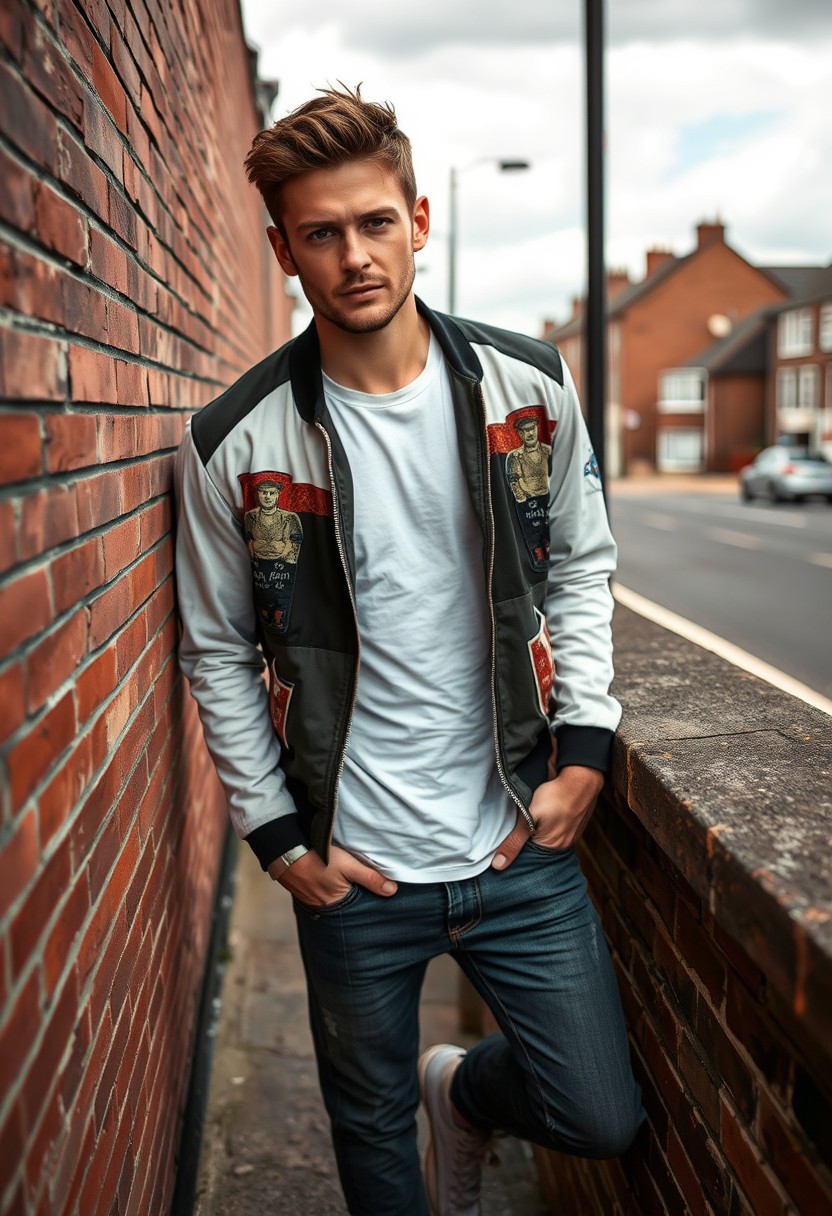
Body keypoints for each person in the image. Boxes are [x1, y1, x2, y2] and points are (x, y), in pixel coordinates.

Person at [174, 86, 644, 1216]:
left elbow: (579, 564)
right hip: (354, 866)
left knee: (599, 1112)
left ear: (419, 220)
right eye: (321, 234)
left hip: (514, 839)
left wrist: (584, 745)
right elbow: (216, 648)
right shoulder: (234, 440)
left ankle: (467, 1091)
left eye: (374, 223)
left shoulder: (525, 389)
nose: (354, 257)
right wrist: (281, 840)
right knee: (370, 1142)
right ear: (284, 249)